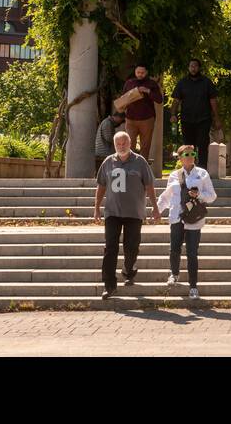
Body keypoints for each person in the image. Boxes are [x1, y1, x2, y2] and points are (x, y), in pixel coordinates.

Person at [94, 130, 160, 300]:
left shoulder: (140, 162)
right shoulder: (108, 162)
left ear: (130, 144)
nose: (121, 146)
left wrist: (155, 207)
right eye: (118, 144)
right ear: (114, 145)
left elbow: (149, 185)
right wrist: (96, 208)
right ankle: (109, 285)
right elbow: (101, 186)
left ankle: (128, 270)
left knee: (131, 247)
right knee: (110, 248)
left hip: (134, 213)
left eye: (124, 143)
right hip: (112, 212)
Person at [156, 145, 217, 300]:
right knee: (174, 248)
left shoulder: (202, 174)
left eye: (192, 153)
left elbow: (212, 196)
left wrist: (199, 194)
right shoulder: (174, 176)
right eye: (186, 154)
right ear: (180, 158)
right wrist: (157, 209)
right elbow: (166, 195)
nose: (190, 156)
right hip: (177, 216)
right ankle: (174, 274)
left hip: (194, 219)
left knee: (192, 253)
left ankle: (193, 287)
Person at [171, 59, 221, 153]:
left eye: (195, 66)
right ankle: (189, 166)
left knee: (203, 145)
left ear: (199, 68)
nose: (193, 68)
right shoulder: (182, 83)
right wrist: (173, 114)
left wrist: (217, 118)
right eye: (191, 66)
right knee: (188, 147)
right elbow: (176, 100)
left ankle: (202, 167)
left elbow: (213, 101)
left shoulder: (207, 82)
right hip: (186, 119)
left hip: (204, 119)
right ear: (188, 68)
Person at [120, 64, 164, 159]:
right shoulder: (129, 83)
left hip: (147, 119)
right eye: (138, 72)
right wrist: (132, 93)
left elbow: (159, 100)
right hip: (131, 119)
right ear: (135, 72)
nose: (140, 74)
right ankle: (129, 165)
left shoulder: (151, 83)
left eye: (142, 73)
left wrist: (148, 91)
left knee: (145, 145)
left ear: (146, 72)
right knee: (129, 143)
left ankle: (142, 167)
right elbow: (122, 99)